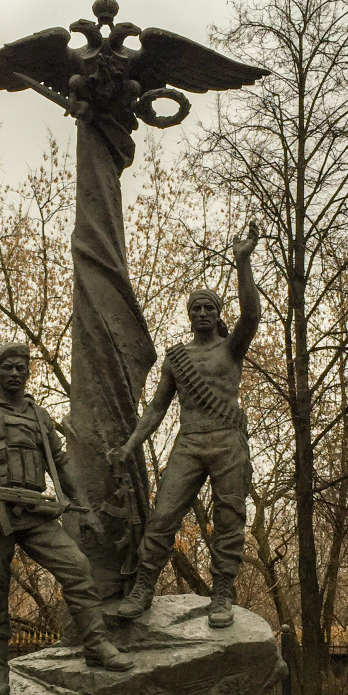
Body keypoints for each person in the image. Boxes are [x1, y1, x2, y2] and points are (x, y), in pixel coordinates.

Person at [0, 342, 129, 695]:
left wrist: (81, 506)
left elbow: (62, 463)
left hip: (34, 512)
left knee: (78, 569)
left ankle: (96, 645)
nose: (16, 373)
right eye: (9, 367)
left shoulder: (40, 417)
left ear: (28, 372)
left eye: (22, 367)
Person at [114, 222, 261, 627]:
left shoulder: (232, 348)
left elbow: (252, 312)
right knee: (163, 517)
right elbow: (157, 409)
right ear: (189, 315)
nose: (201, 313)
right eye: (195, 308)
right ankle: (144, 587)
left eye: (208, 307)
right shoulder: (176, 358)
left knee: (229, 518)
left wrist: (242, 261)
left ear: (217, 314)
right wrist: (130, 445)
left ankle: (222, 594)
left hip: (228, 441)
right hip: (190, 441)